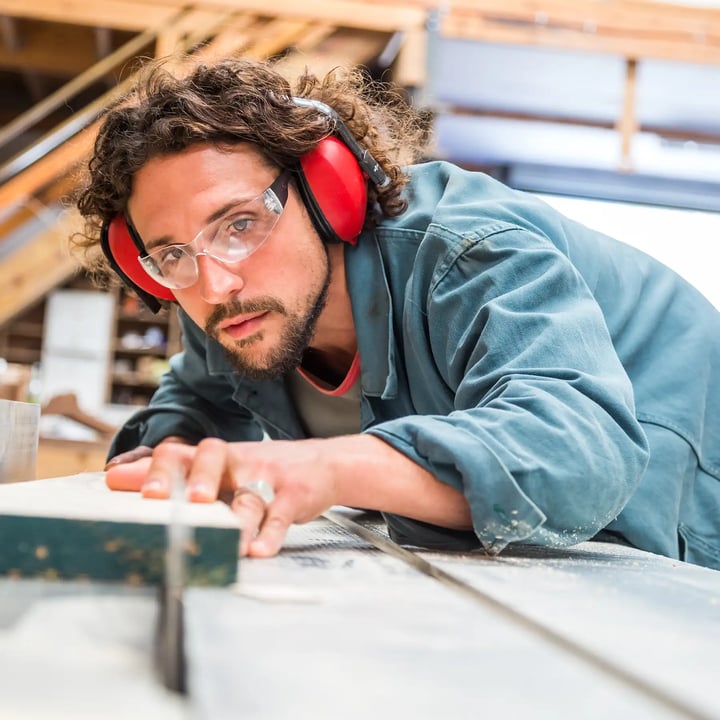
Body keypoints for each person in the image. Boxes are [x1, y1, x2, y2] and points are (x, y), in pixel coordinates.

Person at [72, 56, 720, 568]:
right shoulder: (226, 297)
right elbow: (197, 401)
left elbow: (579, 451)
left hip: (683, 490)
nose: (214, 283)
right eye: (171, 255)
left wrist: (325, 469)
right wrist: (175, 462)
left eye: (240, 223)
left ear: (329, 193)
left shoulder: (468, 253)